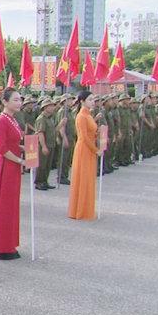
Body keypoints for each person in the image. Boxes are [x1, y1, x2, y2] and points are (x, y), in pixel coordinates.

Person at [0, 89, 25, 260]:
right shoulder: (1, 121)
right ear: (5, 102)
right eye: (16, 100)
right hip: (6, 166)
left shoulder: (12, 119)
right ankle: (0, 246)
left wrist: (27, 150)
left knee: (12, 206)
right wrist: (20, 161)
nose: (19, 103)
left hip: (14, 165)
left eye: (20, 100)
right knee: (4, 206)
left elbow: (15, 143)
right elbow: (2, 148)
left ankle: (9, 243)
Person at [68, 90, 100, 220]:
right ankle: (80, 210)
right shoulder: (81, 116)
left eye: (93, 100)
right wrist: (95, 149)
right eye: (90, 100)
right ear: (82, 101)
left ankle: (86, 208)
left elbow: (91, 132)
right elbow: (83, 137)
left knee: (88, 178)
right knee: (83, 178)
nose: (93, 102)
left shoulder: (89, 115)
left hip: (90, 148)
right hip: (84, 149)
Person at [33, 98, 58, 190]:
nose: (52, 108)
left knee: (48, 165)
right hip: (43, 145)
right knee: (42, 165)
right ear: (45, 107)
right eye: (50, 106)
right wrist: (43, 146)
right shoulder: (41, 118)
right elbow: (40, 133)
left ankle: (45, 181)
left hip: (51, 144)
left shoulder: (50, 118)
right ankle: (39, 182)